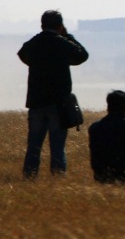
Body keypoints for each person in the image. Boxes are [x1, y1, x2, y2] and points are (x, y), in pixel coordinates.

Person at [18, 10, 89, 179]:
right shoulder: (62, 43)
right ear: (60, 25)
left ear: (42, 25)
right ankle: (57, 178)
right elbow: (82, 56)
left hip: (36, 102)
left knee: (34, 145)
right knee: (57, 146)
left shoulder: (34, 43)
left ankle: (30, 176)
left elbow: (22, 54)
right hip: (59, 103)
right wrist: (68, 35)